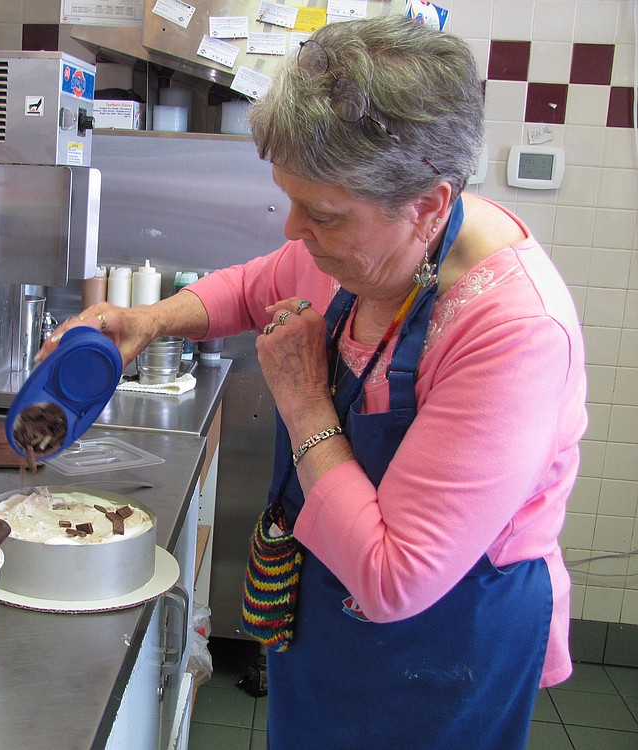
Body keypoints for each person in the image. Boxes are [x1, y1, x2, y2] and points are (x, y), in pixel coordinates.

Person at [39, 15, 586, 750]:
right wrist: (151, 319)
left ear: (428, 206)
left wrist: (302, 401)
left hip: (444, 650)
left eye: (323, 214)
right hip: (324, 606)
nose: (293, 228)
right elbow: (258, 283)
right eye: (290, 199)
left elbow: (396, 576)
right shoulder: (367, 252)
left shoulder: (511, 329)